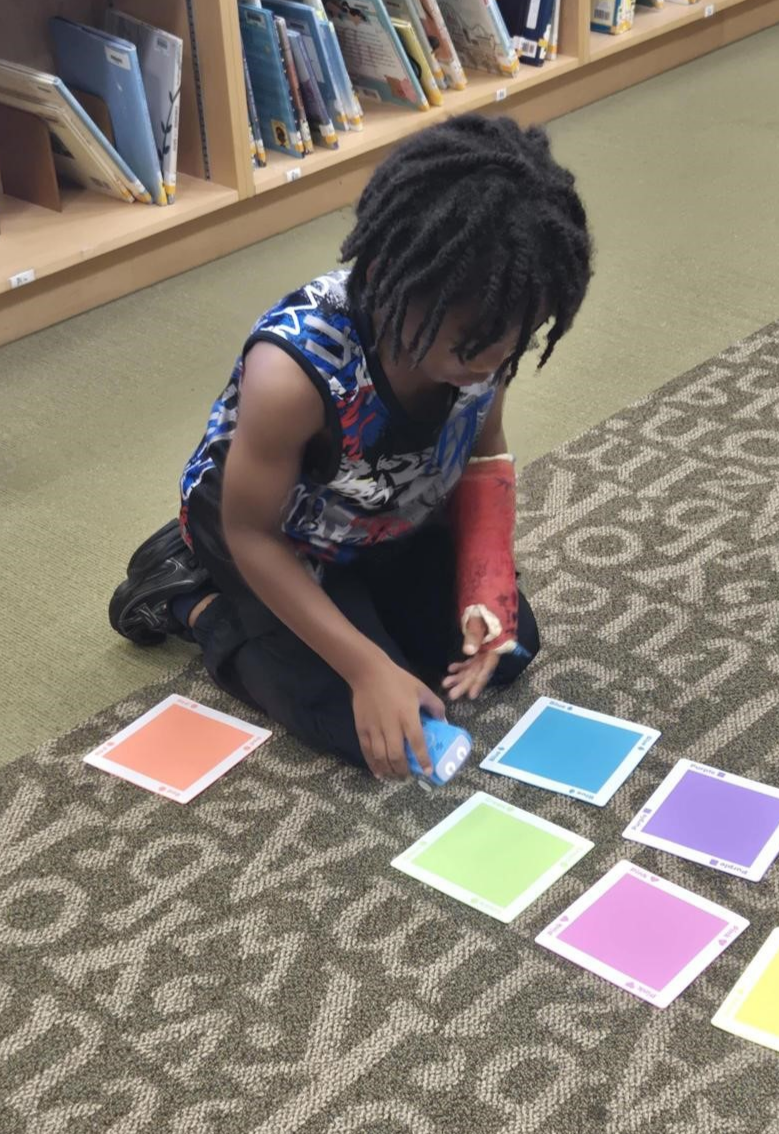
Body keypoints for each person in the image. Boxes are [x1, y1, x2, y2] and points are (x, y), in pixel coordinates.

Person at [109, 113, 592, 782]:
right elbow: (252, 532)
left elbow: (483, 458)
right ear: (391, 281)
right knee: (366, 728)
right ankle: (188, 595)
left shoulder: (485, 336)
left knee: (502, 658)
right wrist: (366, 667)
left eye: (511, 348)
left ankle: (365, 604)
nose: (490, 367)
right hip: (267, 528)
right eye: (470, 350)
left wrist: (486, 584)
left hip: (387, 514)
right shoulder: (292, 373)